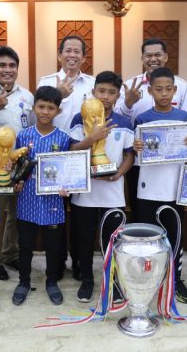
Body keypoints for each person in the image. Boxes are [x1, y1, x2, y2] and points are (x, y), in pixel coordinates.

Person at [132, 67, 187, 303]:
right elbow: (136, 154)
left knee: (174, 235)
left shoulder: (183, 117)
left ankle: (175, 279)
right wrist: (137, 148)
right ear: (150, 91)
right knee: (148, 237)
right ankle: (148, 278)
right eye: (159, 89)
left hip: (174, 186)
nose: (164, 93)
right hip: (148, 186)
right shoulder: (142, 119)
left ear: (175, 90)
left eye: (168, 89)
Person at [68, 71, 134, 303]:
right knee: (84, 241)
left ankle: (113, 281)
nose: (105, 96)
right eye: (101, 91)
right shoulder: (79, 119)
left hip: (113, 194)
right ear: (93, 91)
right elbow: (72, 150)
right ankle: (87, 280)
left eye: (111, 92)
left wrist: (119, 174)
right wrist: (91, 137)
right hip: (84, 194)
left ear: (118, 96)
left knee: (112, 241)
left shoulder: (124, 122)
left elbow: (130, 155)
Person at [115, 38, 187, 221]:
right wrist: (128, 103)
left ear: (165, 56)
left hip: (173, 163)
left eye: (157, 54)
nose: (153, 59)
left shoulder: (181, 85)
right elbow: (118, 120)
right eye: (148, 55)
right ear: (142, 58)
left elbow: (186, 122)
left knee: (172, 211)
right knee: (141, 209)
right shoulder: (131, 85)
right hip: (140, 160)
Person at [37, 35, 95, 279]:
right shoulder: (46, 81)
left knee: (81, 215)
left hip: (82, 156)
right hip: (54, 158)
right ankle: (57, 262)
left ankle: (79, 262)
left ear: (84, 56)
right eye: (67, 50)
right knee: (56, 214)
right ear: (59, 55)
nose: (72, 55)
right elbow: (39, 115)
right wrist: (57, 94)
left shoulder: (92, 84)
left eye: (77, 51)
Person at [12, 86, 72, 306]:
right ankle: (23, 282)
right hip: (27, 199)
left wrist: (67, 186)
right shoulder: (23, 136)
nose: (45, 112)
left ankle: (52, 282)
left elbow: (68, 169)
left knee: (53, 246)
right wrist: (16, 181)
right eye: (41, 106)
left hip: (53, 200)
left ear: (58, 111)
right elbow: (17, 166)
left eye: (50, 108)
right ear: (34, 107)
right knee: (25, 245)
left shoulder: (63, 138)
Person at [0, 46, 34, 281]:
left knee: (15, 213)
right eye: (2, 65)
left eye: (12, 65)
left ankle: (11, 254)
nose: (7, 70)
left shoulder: (27, 96)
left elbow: (31, 127)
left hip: (20, 164)